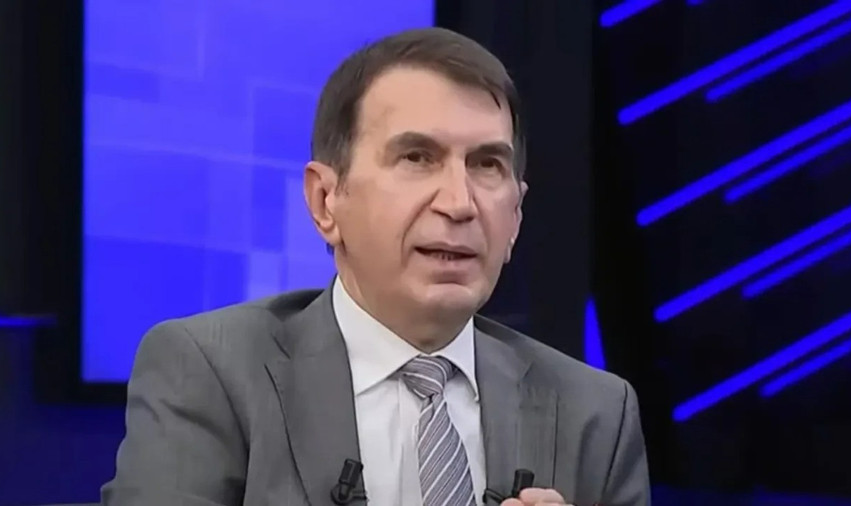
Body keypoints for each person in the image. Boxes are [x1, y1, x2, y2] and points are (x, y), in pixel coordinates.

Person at [101, 27, 650, 506]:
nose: (459, 203)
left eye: (487, 164)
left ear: (515, 217)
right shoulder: (211, 374)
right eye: (417, 158)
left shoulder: (595, 414)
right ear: (325, 202)